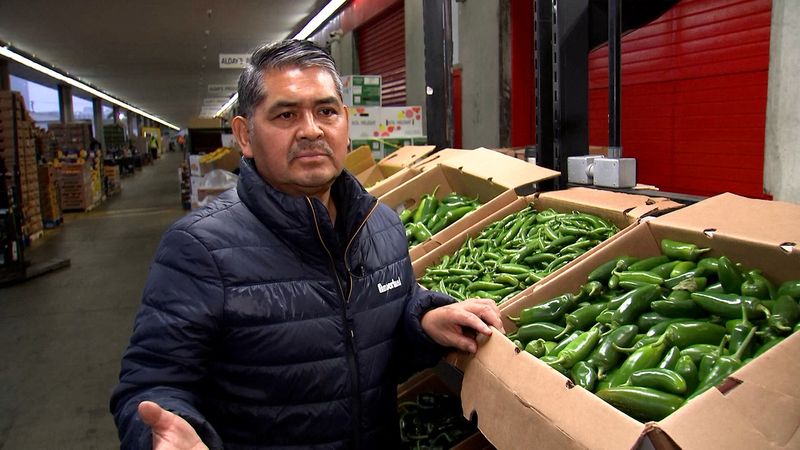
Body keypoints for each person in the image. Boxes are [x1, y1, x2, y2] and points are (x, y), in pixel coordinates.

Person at [110, 39, 503, 449]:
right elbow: (151, 383)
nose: (312, 130)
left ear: (345, 124)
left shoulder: (382, 226)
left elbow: (366, 355)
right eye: (285, 114)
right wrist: (159, 437)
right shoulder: (200, 248)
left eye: (326, 111)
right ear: (244, 135)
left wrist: (420, 326)